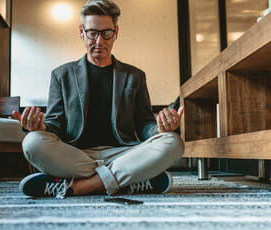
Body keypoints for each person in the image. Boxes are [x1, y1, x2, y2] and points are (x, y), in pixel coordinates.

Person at [12, 0, 184, 198]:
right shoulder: (61, 75)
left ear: (116, 32)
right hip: (76, 155)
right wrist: (39, 127)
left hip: (122, 153)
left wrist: (160, 129)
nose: (99, 41)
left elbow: (144, 123)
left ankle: (78, 187)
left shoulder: (134, 76)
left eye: (106, 33)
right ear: (81, 32)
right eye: (92, 33)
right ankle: (129, 179)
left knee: (173, 142)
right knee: (32, 142)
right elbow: (55, 124)